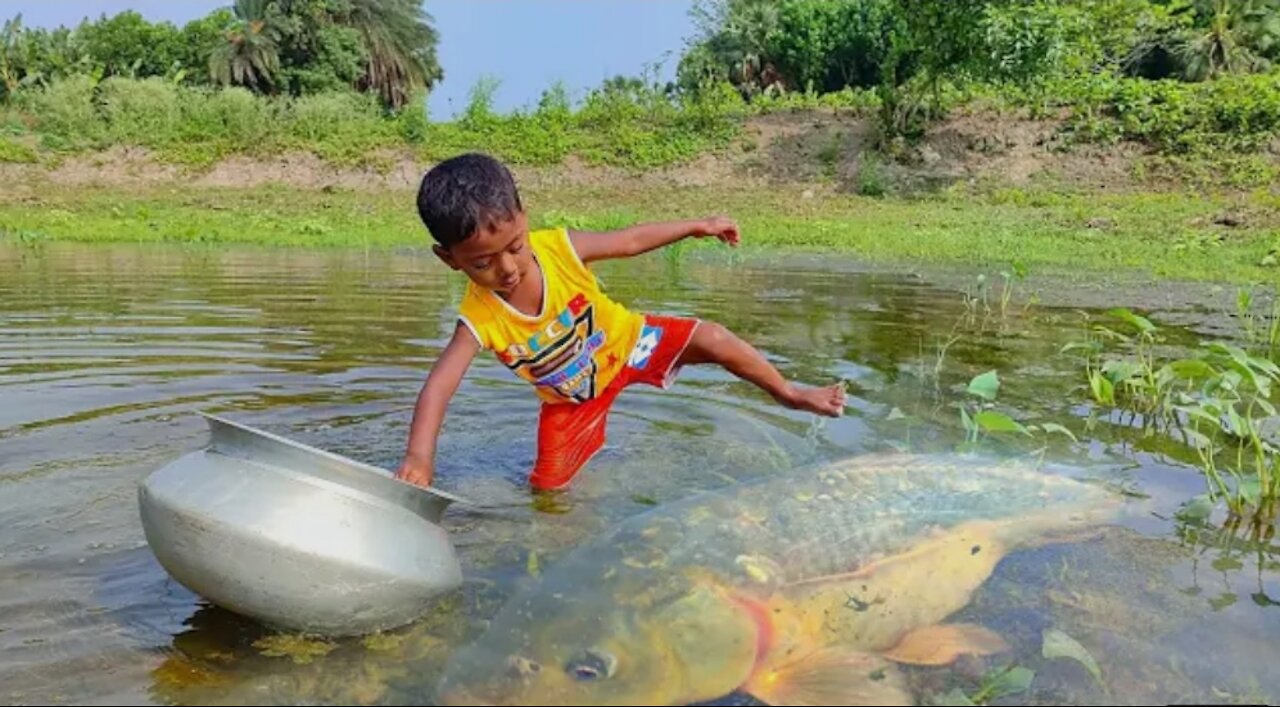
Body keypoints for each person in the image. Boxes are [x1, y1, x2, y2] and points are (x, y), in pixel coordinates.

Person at [394, 152, 845, 492]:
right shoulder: (480, 317)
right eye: (483, 263)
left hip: (631, 343)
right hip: (572, 401)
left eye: (514, 246)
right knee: (548, 493)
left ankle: (790, 393)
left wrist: (696, 225)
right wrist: (419, 458)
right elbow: (439, 387)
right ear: (449, 259)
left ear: (524, 221)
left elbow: (629, 240)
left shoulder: (558, 249)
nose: (508, 269)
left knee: (710, 336)